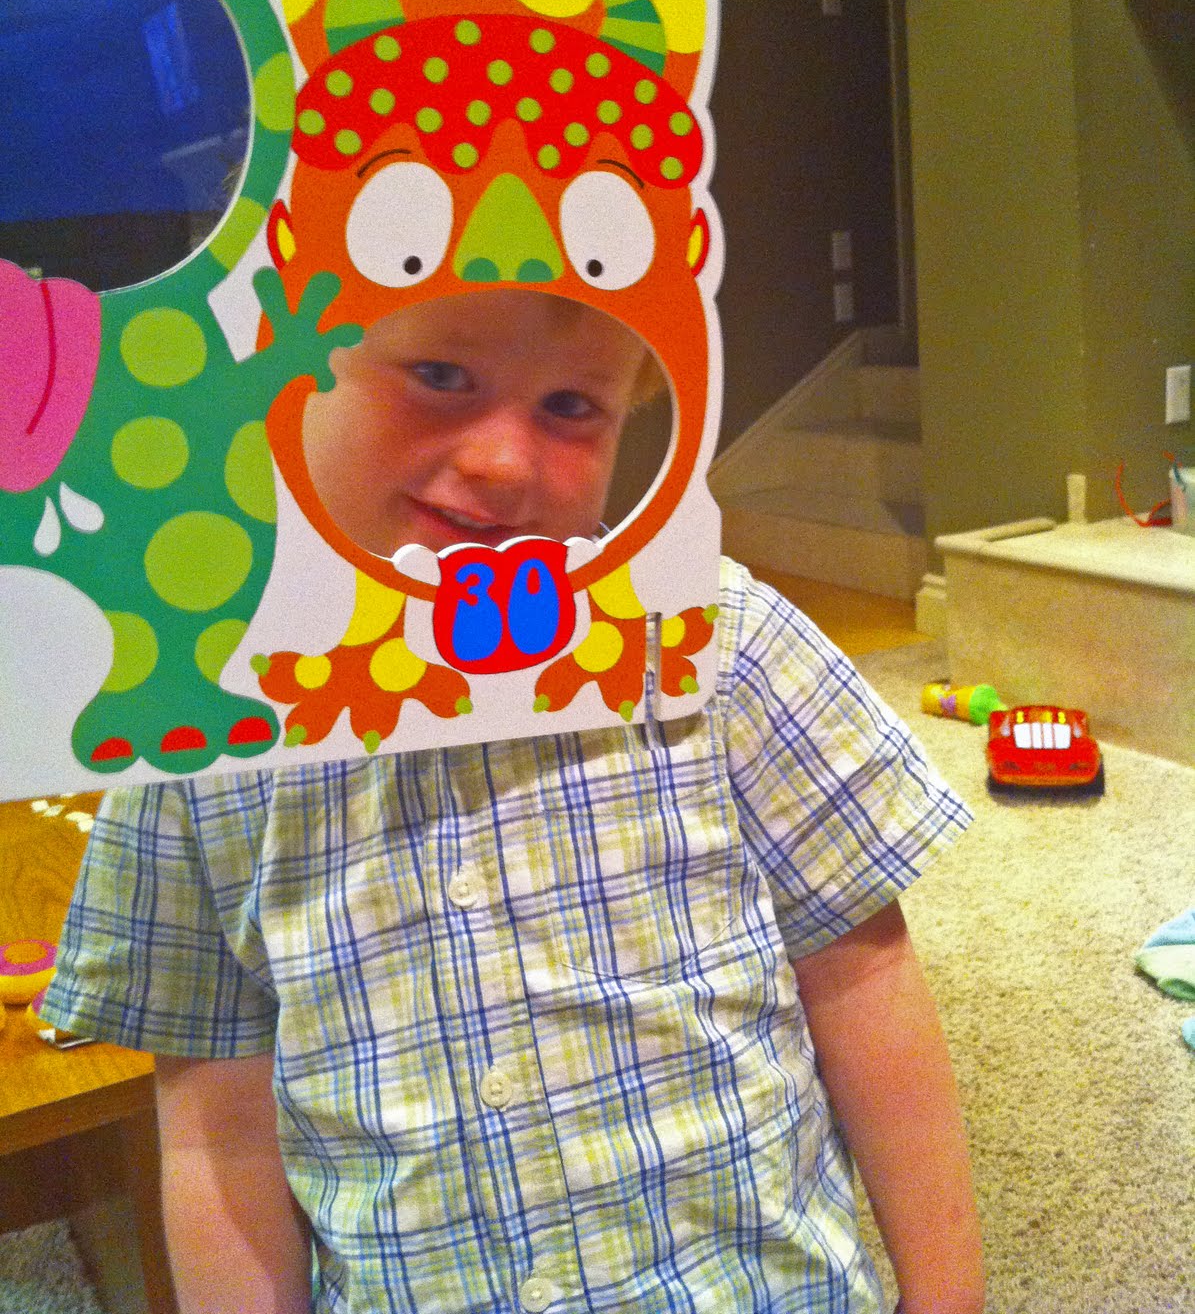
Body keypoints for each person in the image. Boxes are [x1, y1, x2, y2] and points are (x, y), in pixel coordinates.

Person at [45, 286, 984, 1314]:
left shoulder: (717, 644)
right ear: (287, 372)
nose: (501, 461)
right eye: (439, 375)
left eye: (571, 405)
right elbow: (216, 1130)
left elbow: (864, 976)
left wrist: (946, 1296)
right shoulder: (200, 728)